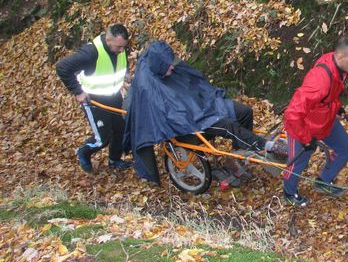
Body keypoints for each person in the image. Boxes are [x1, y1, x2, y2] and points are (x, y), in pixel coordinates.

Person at [123, 41, 288, 185]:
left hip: (203, 107)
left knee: (245, 112)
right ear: (159, 65)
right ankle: (263, 145)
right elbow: (166, 115)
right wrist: (196, 116)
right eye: (168, 65)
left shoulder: (166, 68)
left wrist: (205, 102)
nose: (172, 67)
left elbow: (195, 83)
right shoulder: (148, 86)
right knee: (228, 126)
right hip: (187, 126)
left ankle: (236, 157)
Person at [282, 35, 348, 206]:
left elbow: (331, 92)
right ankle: (289, 193)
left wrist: (337, 106)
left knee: (345, 148)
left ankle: (323, 181)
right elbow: (293, 113)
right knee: (299, 162)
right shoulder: (319, 80)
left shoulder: (340, 66)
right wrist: (306, 139)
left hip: (324, 118)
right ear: (341, 56)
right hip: (302, 125)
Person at [56, 24, 133, 173]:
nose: (122, 50)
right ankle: (84, 152)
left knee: (119, 129)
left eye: (124, 47)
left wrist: (126, 74)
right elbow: (62, 67)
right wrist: (78, 92)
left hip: (114, 96)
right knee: (102, 138)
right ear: (108, 39)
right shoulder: (90, 53)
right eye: (118, 47)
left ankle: (114, 160)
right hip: (94, 101)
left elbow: (120, 63)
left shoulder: (120, 47)